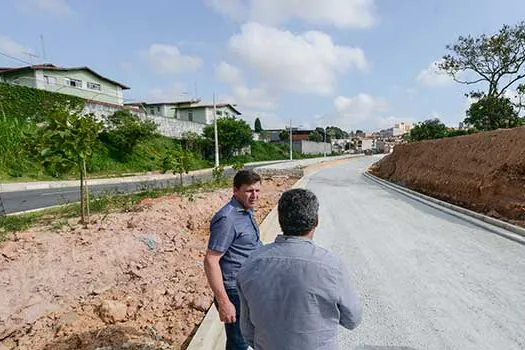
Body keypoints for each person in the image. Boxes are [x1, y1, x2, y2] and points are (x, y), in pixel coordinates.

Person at [236, 188, 362, 350]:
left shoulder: (251, 263)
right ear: (316, 221)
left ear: (281, 220)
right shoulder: (331, 266)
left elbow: (247, 330)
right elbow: (352, 319)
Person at [204, 169, 263, 350]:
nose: (254, 196)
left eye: (258, 191)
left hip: (248, 286)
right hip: (234, 291)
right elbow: (211, 260)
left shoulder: (246, 211)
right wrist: (224, 302)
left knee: (245, 340)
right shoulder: (227, 219)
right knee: (239, 343)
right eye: (249, 191)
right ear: (236, 191)